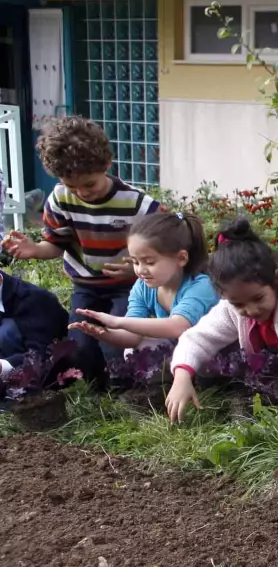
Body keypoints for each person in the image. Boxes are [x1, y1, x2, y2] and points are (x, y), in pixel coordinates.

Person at [1, 116, 160, 383]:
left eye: (89, 184)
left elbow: (164, 247)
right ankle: (97, 391)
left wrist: (136, 267)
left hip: (126, 286)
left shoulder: (137, 204)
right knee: (79, 344)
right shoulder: (60, 199)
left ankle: (125, 389)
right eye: (71, 186)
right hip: (85, 286)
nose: (81, 193)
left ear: (106, 165)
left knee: (114, 342)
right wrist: (35, 249)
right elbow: (56, 244)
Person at [165, 220, 278, 421]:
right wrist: (182, 377)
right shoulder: (230, 309)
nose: (250, 310)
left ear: (276, 278)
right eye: (238, 304)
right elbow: (196, 339)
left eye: (258, 298)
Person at [68, 211, 218, 351]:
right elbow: (132, 337)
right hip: (185, 351)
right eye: (135, 262)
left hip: (212, 353)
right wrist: (102, 333)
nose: (140, 270)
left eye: (150, 262)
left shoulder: (201, 285)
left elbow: (178, 326)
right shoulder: (143, 286)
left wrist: (118, 321)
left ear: (181, 258)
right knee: (134, 349)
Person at [0, 270, 69, 376]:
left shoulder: (35, 300)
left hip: (47, 372)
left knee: (7, 331)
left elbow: (44, 354)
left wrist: (3, 366)